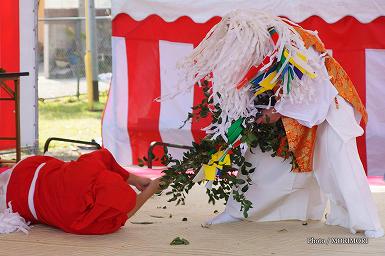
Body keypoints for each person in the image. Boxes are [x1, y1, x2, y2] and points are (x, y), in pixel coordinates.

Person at [175, 10, 383, 238]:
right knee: (263, 155)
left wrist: (277, 111)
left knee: (339, 157)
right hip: (293, 107)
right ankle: (238, 211)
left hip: (329, 101)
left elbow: (313, 84)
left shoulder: (291, 42)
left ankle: (366, 222)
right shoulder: (258, 51)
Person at [0, 148, 161, 234]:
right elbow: (119, 219)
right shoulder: (78, 220)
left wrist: (135, 180)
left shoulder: (90, 168)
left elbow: (104, 156)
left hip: (26, 169)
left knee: (57, 172)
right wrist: (150, 191)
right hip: (16, 201)